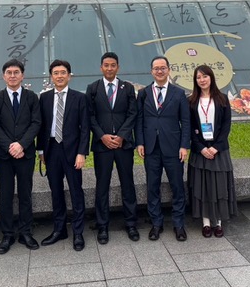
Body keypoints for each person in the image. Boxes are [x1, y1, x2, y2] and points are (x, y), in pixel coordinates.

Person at [135, 55, 190, 242]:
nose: (159, 71)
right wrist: (140, 142)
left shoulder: (179, 93)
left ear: (168, 70)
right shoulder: (143, 93)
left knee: (177, 186)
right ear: (151, 71)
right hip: (151, 148)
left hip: (173, 148)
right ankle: (156, 223)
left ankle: (178, 224)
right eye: (156, 68)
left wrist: (184, 145)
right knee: (152, 186)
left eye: (163, 68)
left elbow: (185, 121)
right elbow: (139, 120)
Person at [0, 59, 41, 254]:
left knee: (25, 194)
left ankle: (26, 232)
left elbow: (36, 123)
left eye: (16, 72)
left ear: (22, 75)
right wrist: (10, 146)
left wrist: (22, 144)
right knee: (6, 195)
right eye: (9, 72)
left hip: (25, 154)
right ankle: (7, 234)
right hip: (4, 156)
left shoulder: (31, 97)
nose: (12, 75)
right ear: (3, 76)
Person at [86, 52, 139, 244]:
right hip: (103, 145)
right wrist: (102, 136)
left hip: (123, 145)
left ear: (118, 67)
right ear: (101, 67)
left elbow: (132, 114)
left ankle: (131, 223)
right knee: (102, 185)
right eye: (106, 65)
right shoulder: (93, 88)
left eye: (113, 65)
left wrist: (122, 136)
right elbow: (90, 116)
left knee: (128, 184)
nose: (109, 68)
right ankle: (102, 226)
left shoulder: (127, 88)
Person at [37, 59, 91, 251]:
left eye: (63, 73)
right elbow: (41, 126)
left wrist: (82, 152)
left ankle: (78, 232)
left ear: (69, 76)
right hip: (51, 149)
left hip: (72, 150)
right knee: (56, 191)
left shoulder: (80, 98)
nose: (59, 76)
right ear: (51, 76)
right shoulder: (44, 98)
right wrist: (41, 150)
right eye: (56, 73)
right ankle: (59, 229)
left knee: (76, 191)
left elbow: (85, 128)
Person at [187, 65, 238, 238]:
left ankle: (219, 222)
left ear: (211, 78)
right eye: (198, 77)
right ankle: (206, 223)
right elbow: (189, 127)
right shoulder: (191, 101)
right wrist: (201, 148)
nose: (202, 80)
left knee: (219, 186)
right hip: (200, 151)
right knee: (202, 187)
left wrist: (216, 147)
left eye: (205, 76)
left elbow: (226, 126)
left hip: (219, 150)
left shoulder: (222, 99)